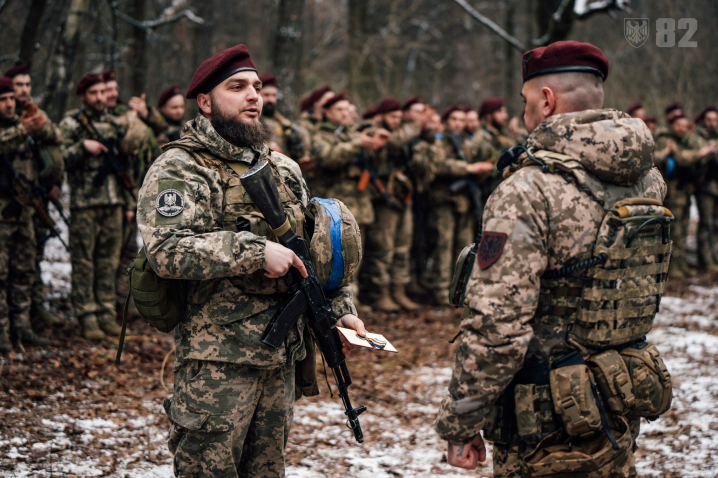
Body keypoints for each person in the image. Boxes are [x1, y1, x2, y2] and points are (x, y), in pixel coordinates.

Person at [436, 40, 671, 477]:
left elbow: (498, 326)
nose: (523, 112)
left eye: (525, 100)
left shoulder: (528, 191)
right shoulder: (647, 178)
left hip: (542, 421)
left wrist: (461, 419)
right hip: (618, 394)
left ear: (545, 101)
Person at [136, 44, 366, 477]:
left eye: (257, 87)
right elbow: (165, 250)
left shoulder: (283, 168)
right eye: (237, 87)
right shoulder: (182, 167)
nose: (253, 96)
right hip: (218, 364)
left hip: (280, 361)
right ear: (205, 102)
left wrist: (341, 312)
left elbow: (316, 254)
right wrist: (253, 252)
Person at [59, 73, 134, 340]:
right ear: (82, 96)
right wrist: (82, 147)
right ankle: (87, 317)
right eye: (94, 93)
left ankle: (106, 313)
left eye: (103, 92)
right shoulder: (71, 124)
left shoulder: (114, 124)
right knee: (84, 263)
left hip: (113, 203)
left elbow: (123, 169)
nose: (101, 98)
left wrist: (127, 202)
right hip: (84, 204)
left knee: (109, 262)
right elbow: (59, 160)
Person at [312, 91, 390, 313]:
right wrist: (359, 143)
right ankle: (340, 304)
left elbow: (376, 166)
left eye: (348, 109)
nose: (346, 114)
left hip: (360, 204)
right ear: (326, 113)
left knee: (358, 253)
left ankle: (353, 300)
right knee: (339, 254)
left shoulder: (353, 134)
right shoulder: (321, 134)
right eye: (339, 110)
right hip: (336, 207)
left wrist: (377, 146)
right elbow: (329, 158)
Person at [4, 63, 65, 327]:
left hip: (34, 196)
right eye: (19, 85)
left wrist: (55, 183)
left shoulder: (32, 112)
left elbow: (55, 137)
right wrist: (24, 128)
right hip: (9, 201)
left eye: (28, 85)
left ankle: (29, 313)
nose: (24, 90)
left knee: (30, 259)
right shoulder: (7, 116)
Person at [362, 97, 432, 312]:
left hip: (403, 196)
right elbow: (393, 143)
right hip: (384, 199)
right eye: (392, 117)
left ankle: (398, 290)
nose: (396, 121)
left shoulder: (405, 133)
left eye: (398, 117)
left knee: (402, 247)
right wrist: (415, 123)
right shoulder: (372, 131)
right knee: (384, 247)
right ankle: (379, 293)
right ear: (382, 116)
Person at [0, 77, 55, 351]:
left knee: (23, 271)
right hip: (3, 214)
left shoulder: (23, 126)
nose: (9, 104)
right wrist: (22, 129)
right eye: (3, 99)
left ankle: (21, 326)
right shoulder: (15, 130)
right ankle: (2, 333)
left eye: (11, 98)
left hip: (24, 212)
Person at [423, 103, 493, 305]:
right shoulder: (439, 142)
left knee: (463, 248)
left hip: (464, 201)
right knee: (443, 247)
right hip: (444, 201)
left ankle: (460, 290)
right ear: (445, 121)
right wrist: (469, 168)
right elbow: (438, 165)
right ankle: (442, 291)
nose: (458, 123)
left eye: (462, 120)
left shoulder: (465, 143)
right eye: (454, 119)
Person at [654, 114, 713, 277]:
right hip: (673, 192)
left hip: (684, 191)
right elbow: (680, 158)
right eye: (679, 125)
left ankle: (679, 265)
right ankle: (671, 267)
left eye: (685, 126)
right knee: (673, 230)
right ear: (672, 125)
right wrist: (700, 153)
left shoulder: (684, 141)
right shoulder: (666, 140)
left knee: (682, 230)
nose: (682, 129)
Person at [259, 74, 309, 160]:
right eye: (266, 95)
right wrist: (267, 146)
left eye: (274, 95)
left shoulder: (282, 122)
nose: (271, 99)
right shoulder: (252, 120)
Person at [693, 106, 718, 272]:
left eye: (715, 120)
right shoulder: (696, 137)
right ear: (703, 120)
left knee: (716, 224)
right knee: (706, 223)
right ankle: (705, 259)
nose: (712, 123)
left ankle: (714, 257)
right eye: (709, 120)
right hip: (705, 186)